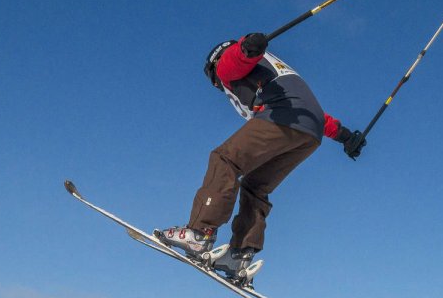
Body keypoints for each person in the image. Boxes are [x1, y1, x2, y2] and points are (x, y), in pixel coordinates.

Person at [154, 32, 366, 282]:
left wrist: (244, 47)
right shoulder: (273, 70)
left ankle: (199, 234)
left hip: (280, 116)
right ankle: (239, 254)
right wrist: (346, 137)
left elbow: (232, 61)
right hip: (309, 133)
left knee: (225, 159)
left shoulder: (226, 65)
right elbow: (317, 115)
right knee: (256, 185)